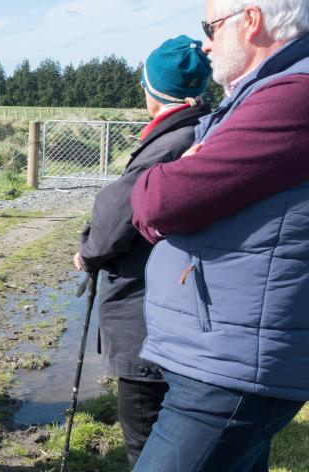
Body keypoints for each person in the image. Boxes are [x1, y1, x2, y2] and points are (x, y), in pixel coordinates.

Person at [130, 1, 309, 470]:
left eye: (210, 27)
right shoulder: (263, 92)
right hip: (232, 346)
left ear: (251, 21)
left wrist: (161, 192)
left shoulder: (292, 96)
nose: (206, 42)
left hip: (235, 365)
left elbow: (159, 199)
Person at [74, 36, 211, 468]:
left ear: (152, 89)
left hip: (144, 309)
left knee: (146, 436)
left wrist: (88, 252)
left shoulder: (169, 142)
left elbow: (117, 215)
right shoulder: (200, 128)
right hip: (173, 301)